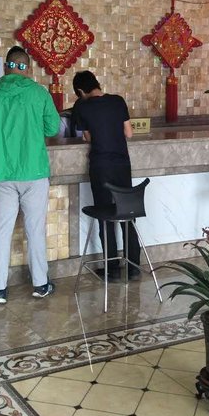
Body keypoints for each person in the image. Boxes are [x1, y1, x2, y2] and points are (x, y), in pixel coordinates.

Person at [0, 46, 60, 304]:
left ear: (4, 66)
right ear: (27, 68)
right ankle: (40, 284)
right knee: (35, 230)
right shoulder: (39, 93)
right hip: (34, 171)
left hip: (1, 173)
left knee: (1, 230)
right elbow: (52, 128)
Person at [72, 70, 141, 281]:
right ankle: (133, 267)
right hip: (122, 165)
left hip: (101, 166)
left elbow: (88, 137)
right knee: (127, 213)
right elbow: (129, 133)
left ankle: (112, 269)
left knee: (105, 215)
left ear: (80, 91)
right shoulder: (118, 101)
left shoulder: (82, 106)